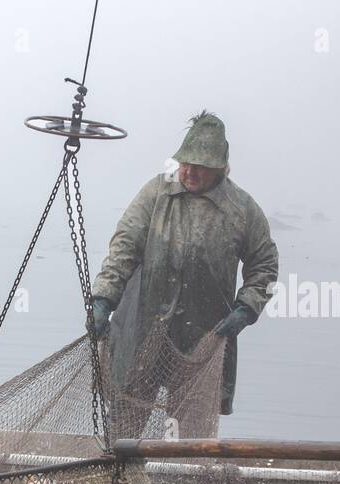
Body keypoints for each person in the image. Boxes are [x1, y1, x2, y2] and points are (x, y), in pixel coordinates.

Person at [89, 111, 278, 422]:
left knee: (190, 431)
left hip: (203, 337)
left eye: (200, 166)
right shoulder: (156, 193)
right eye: (185, 162)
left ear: (220, 169)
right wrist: (103, 298)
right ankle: (123, 469)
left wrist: (247, 308)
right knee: (125, 421)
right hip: (141, 328)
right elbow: (123, 247)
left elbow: (265, 265)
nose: (189, 171)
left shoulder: (242, 209)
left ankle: (184, 470)